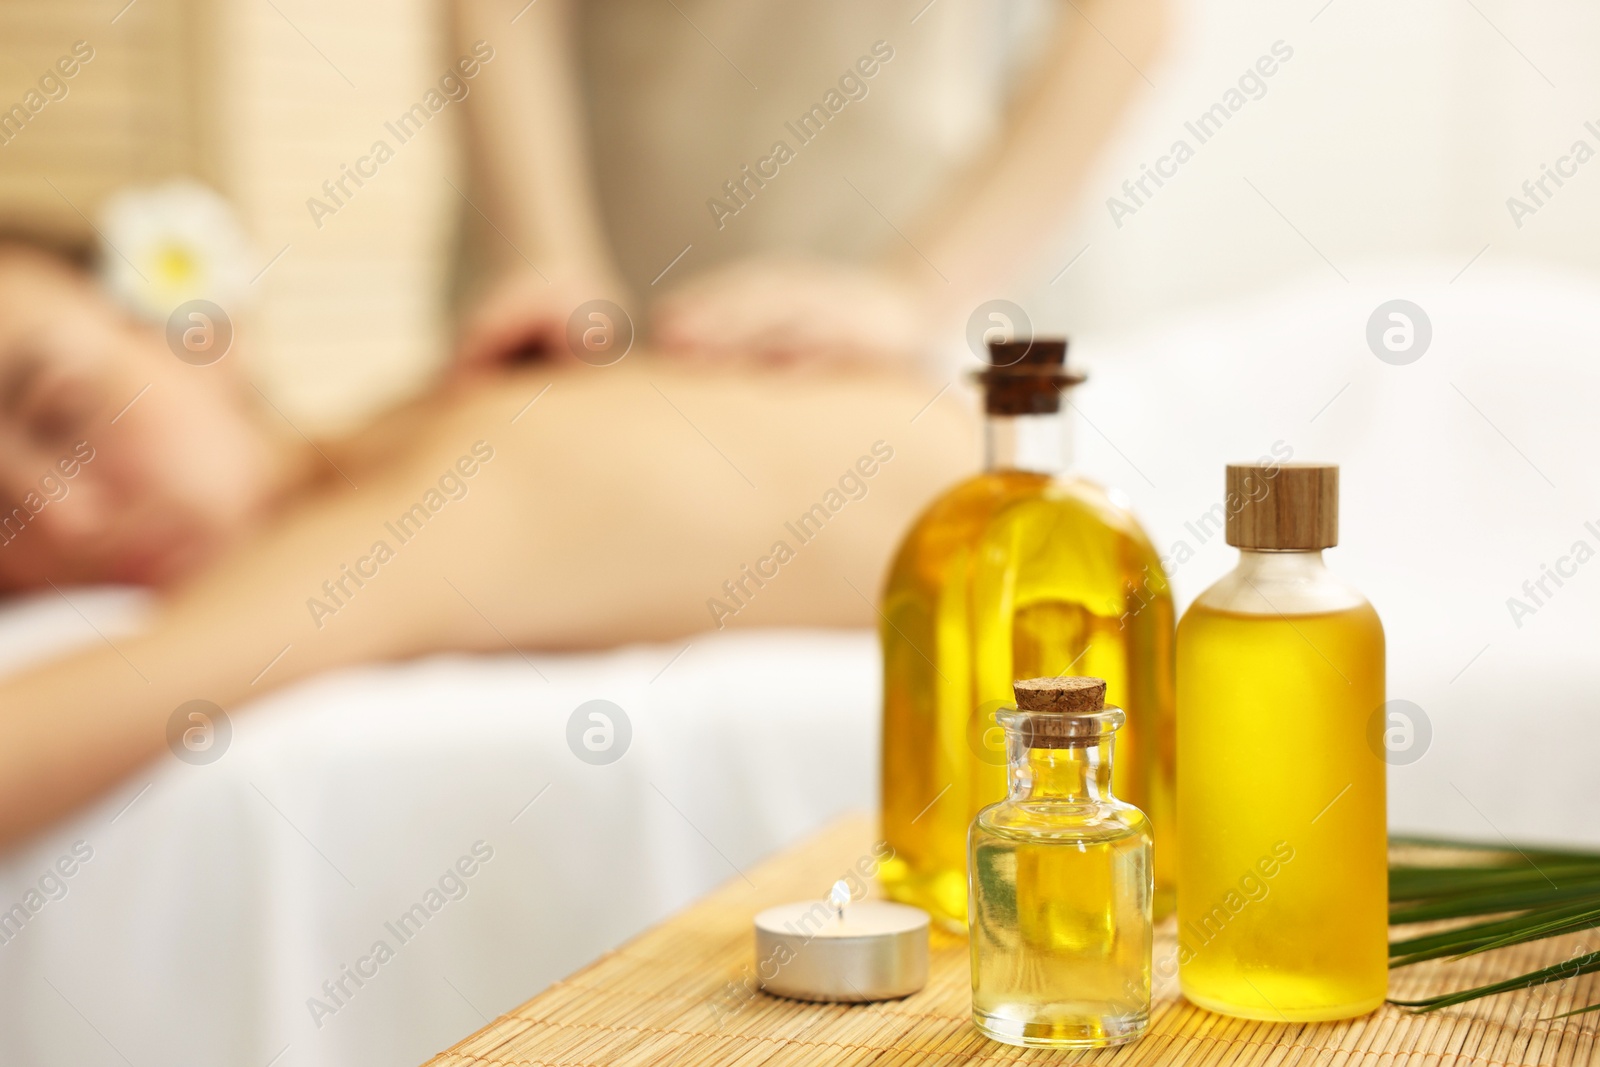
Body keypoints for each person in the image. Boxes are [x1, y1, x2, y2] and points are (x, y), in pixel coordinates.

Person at [0, 0, 1168, 848]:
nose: (62, 508)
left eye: (61, 410)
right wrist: (549, 247)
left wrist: (922, 288)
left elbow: (136, 695)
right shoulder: (445, 436)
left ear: (201, 328)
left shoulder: (463, 475)